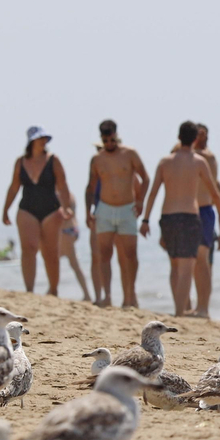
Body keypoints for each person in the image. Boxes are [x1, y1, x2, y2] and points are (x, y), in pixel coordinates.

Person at [140, 120, 220, 317]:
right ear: (195, 138)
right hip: (189, 216)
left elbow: (153, 193)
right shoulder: (199, 162)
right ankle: (181, 312)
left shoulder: (165, 161)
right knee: (187, 266)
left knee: (174, 264)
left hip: (167, 216)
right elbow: (214, 192)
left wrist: (146, 220)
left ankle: (178, 309)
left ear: (178, 137)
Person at [0, 127, 76, 295]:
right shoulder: (21, 162)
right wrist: (5, 210)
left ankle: (53, 289)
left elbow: (62, 185)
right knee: (29, 249)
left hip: (51, 210)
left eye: (45, 139)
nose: (43, 142)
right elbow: (13, 188)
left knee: (50, 252)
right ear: (31, 142)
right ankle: (29, 290)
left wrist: (66, 206)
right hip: (27, 209)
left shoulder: (53, 160)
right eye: (40, 139)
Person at [86, 119, 150, 308]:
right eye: (105, 141)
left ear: (116, 135)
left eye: (111, 140)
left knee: (130, 254)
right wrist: (89, 210)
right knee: (104, 253)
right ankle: (107, 295)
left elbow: (145, 178)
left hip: (127, 208)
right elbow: (90, 187)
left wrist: (140, 201)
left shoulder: (129, 154)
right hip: (104, 209)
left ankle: (130, 295)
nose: (109, 144)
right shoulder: (97, 159)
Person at [192, 123, 220, 318]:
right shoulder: (183, 153)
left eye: (204, 134)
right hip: (188, 210)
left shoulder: (208, 157)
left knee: (204, 261)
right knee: (191, 262)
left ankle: (204, 307)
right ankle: (195, 305)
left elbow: (214, 187)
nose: (202, 137)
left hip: (204, 210)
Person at [58, 215, 92, 302]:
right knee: (53, 261)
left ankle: (87, 295)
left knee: (74, 264)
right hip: (70, 229)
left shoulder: (65, 200)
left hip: (65, 231)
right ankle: (52, 288)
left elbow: (67, 212)